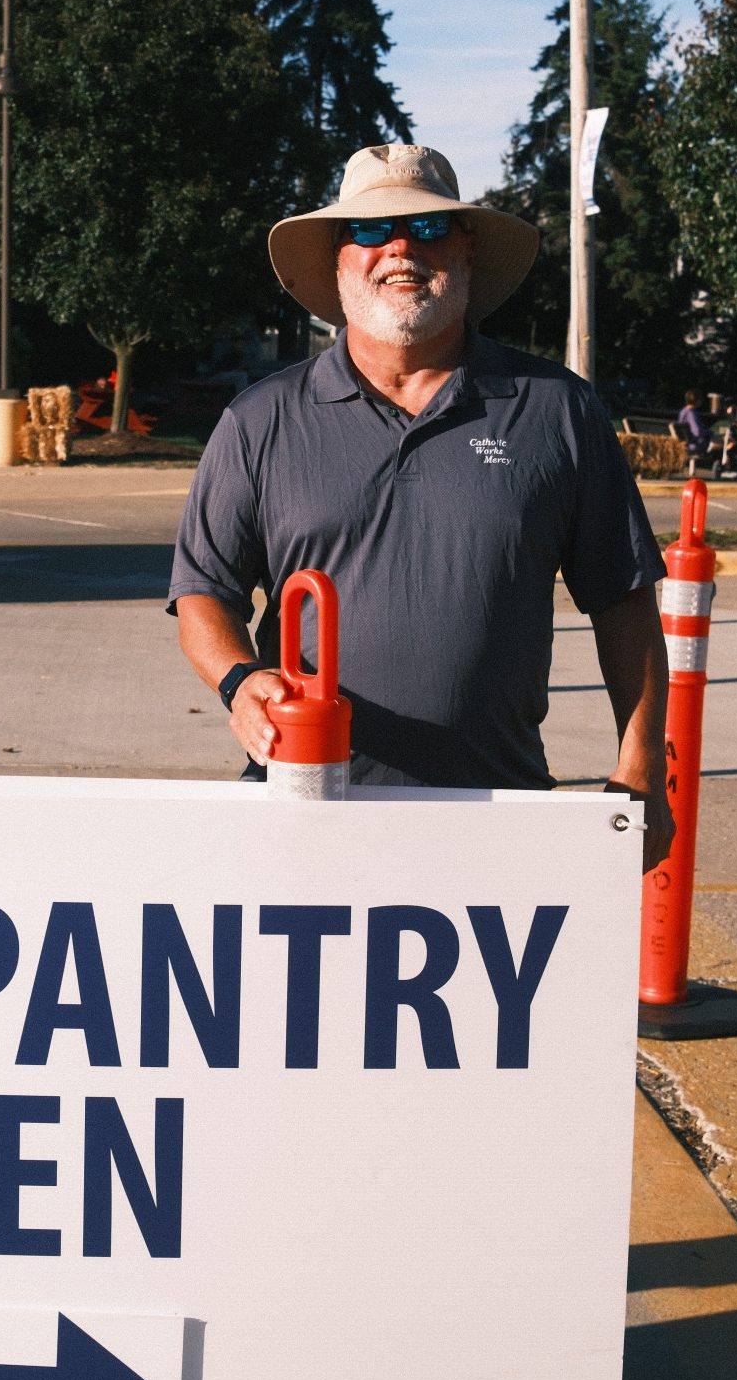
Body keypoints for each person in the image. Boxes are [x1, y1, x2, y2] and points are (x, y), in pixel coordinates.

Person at [169, 143, 674, 868]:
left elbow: (623, 601)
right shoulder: (261, 421)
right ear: (339, 261)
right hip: (300, 809)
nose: (400, 247)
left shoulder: (557, 411)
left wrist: (641, 769)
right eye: (371, 231)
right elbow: (202, 596)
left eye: (429, 228)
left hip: (495, 818)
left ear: (467, 253)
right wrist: (241, 679)